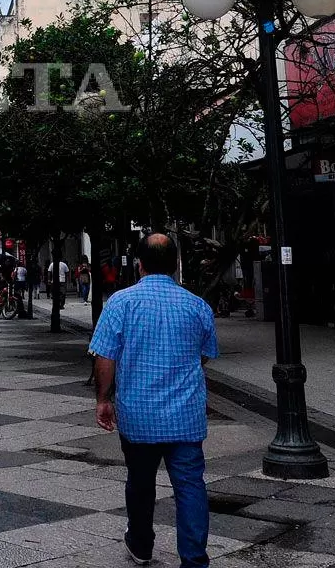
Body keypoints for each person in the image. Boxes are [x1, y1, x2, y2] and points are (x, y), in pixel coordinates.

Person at [90, 234, 218, 568]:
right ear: (177, 263)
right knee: (190, 486)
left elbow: (105, 357)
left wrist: (104, 398)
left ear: (139, 263)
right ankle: (193, 560)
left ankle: (141, 544)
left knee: (140, 481)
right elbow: (204, 355)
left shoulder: (120, 302)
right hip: (186, 416)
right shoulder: (197, 305)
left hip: (138, 414)